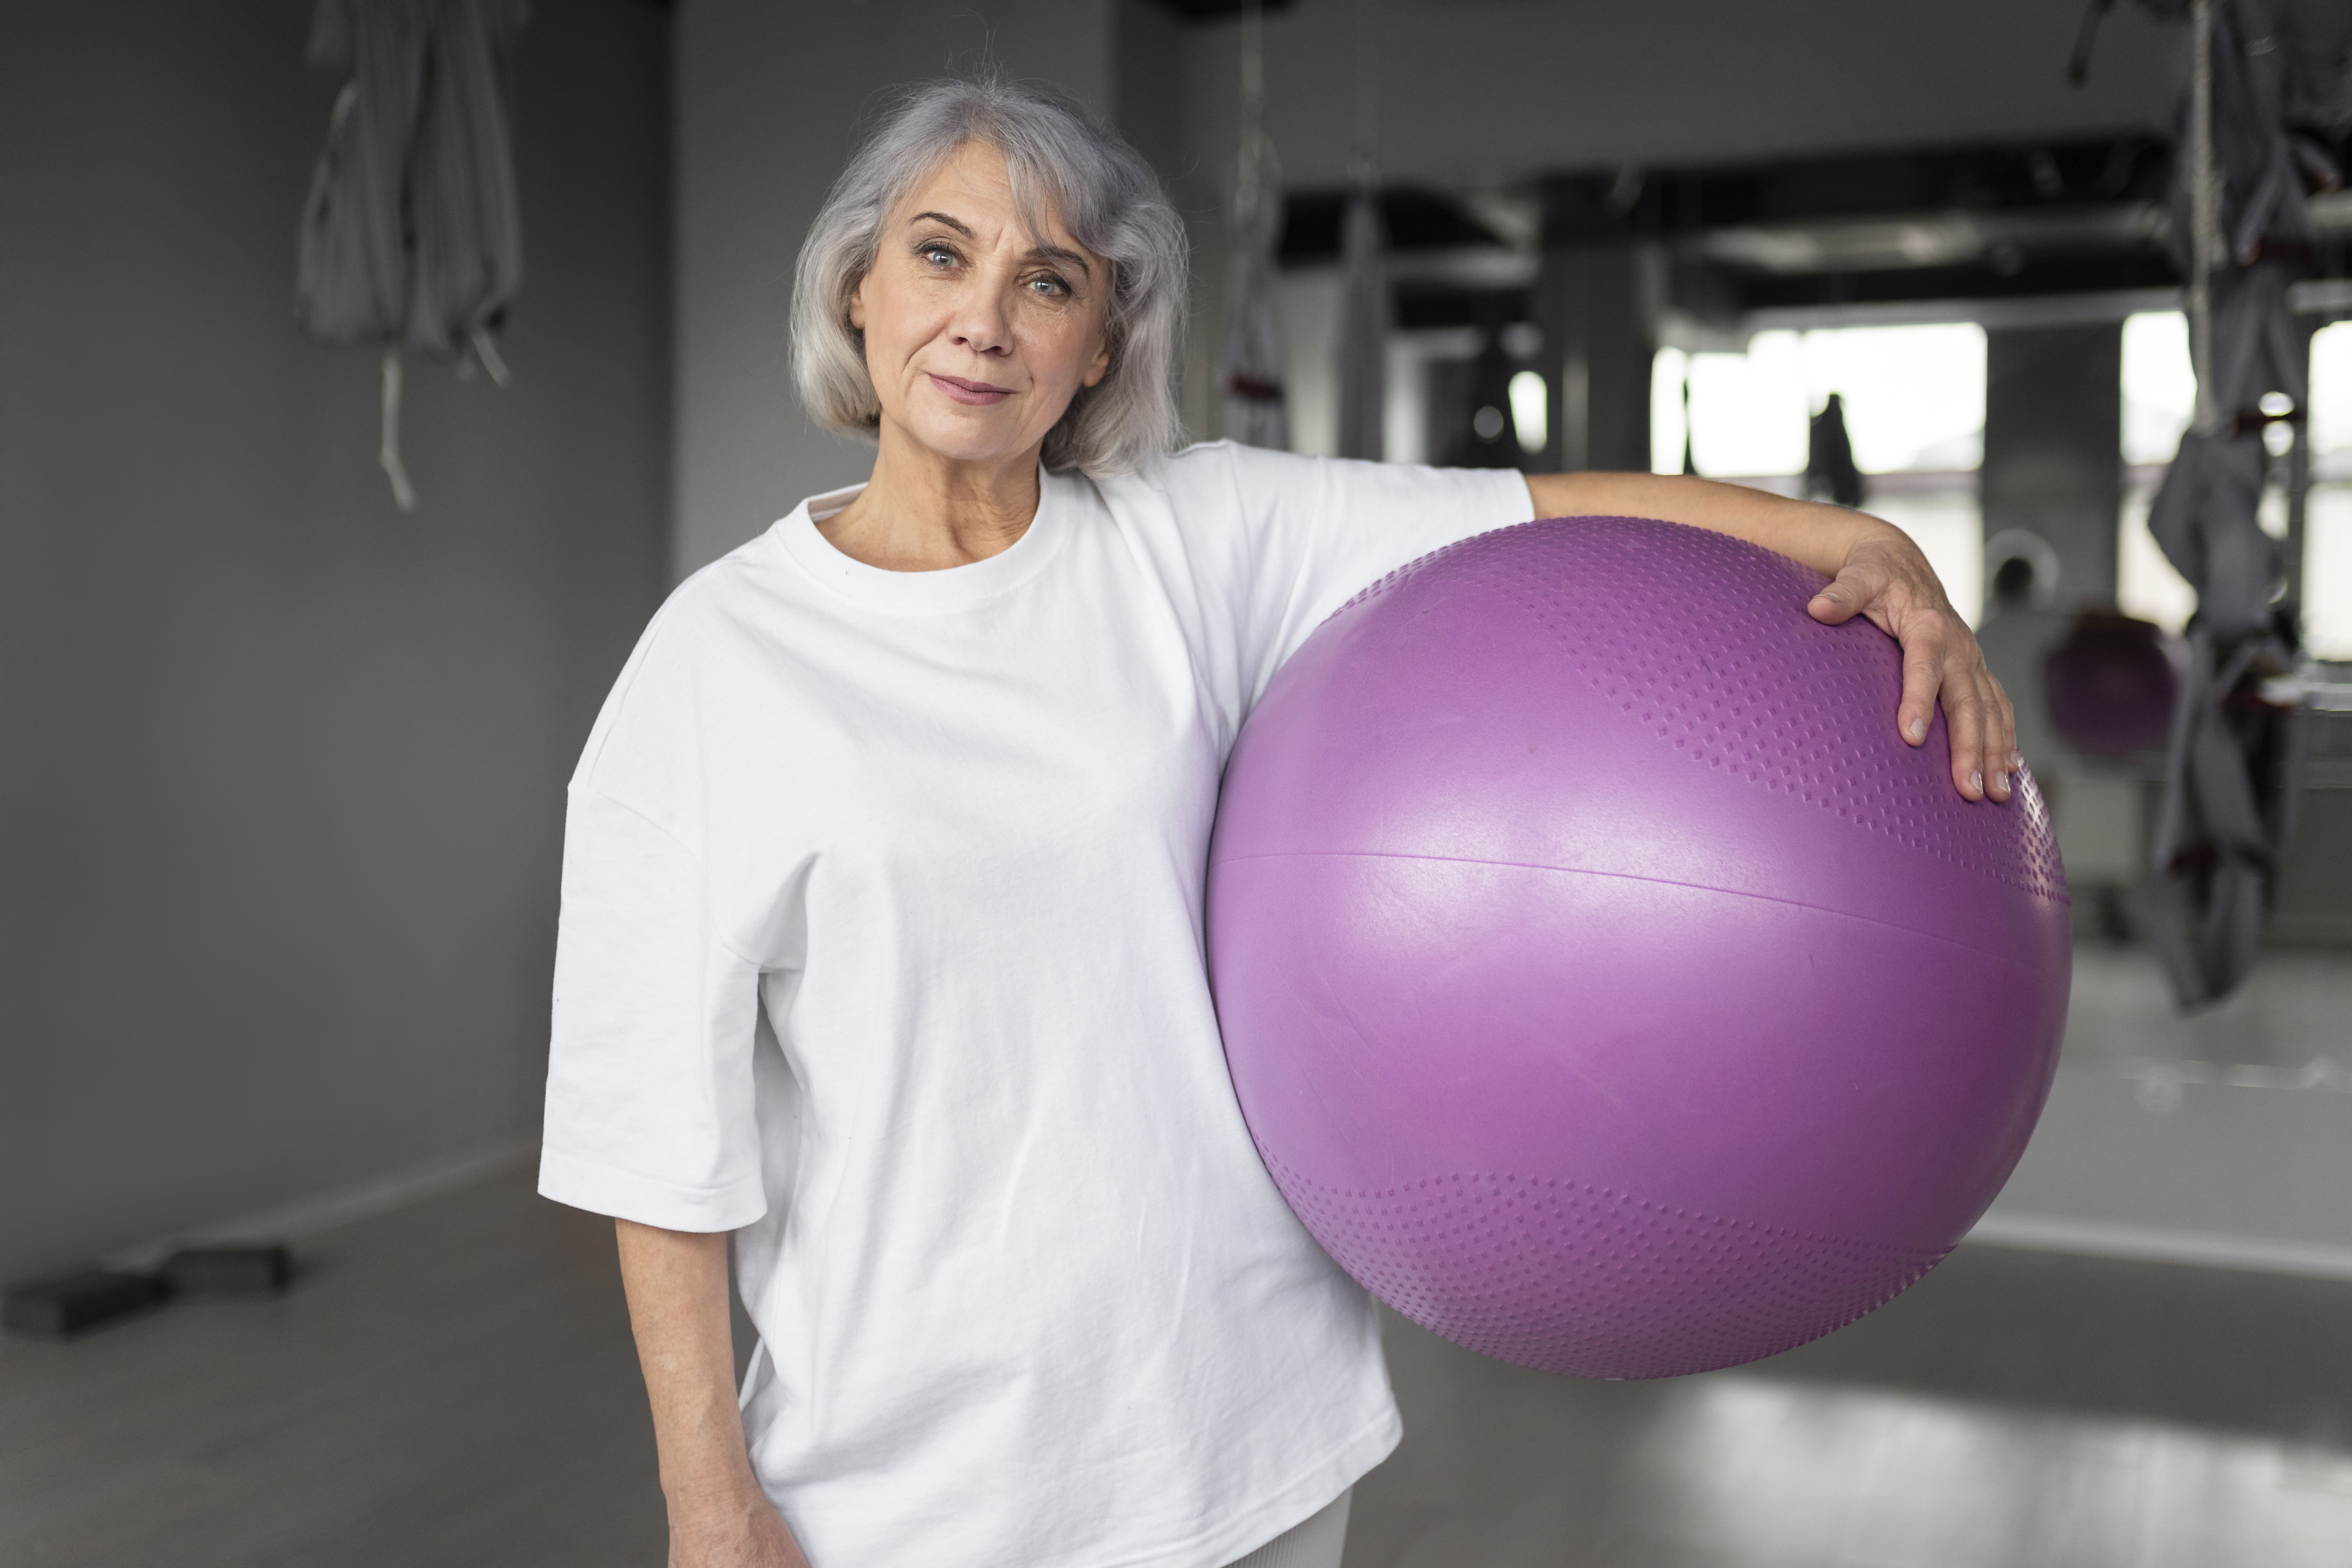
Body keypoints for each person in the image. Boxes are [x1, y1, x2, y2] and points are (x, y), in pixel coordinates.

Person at [537, 78, 2018, 1568]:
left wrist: (1861, 543)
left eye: (1047, 281)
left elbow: (1541, 512)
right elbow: (649, 1130)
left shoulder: (1194, 537)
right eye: (940, 255)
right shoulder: (716, 663)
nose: (983, 319)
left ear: (1099, 342)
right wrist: (707, 1500)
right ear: (857, 286)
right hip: (912, 1492)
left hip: (1249, 1437)